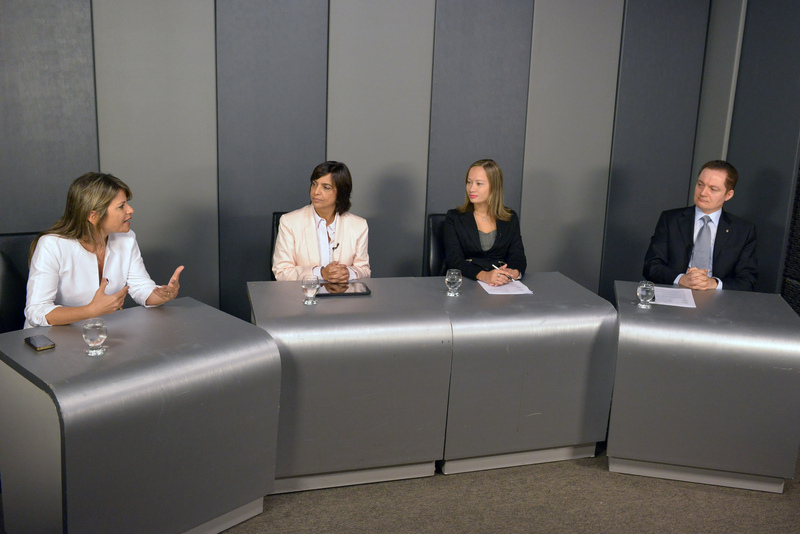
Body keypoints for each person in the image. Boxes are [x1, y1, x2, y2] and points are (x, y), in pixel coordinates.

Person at [25, 172, 184, 328]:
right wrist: (90, 311)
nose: (130, 210)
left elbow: (141, 287)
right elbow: (36, 310)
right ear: (93, 216)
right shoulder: (52, 245)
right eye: (121, 206)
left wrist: (162, 295)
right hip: (50, 338)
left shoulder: (127, 238)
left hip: (99, 333)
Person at [643, 160, 757, 291]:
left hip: (719, 299)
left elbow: (748, 280)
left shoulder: (743, 230)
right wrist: (682, 279)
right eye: (700, 185)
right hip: (675, 293)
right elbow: (651, 266)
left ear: (728, 195)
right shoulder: (671, 220)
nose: (703, 193)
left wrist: (712, 283)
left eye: (713, 189)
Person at [272, 161, 370, 282]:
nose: (316, 192)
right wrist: (321, 273)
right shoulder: (290, 222)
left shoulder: (358, 226)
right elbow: (281, 272)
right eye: (314, 184)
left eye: (326, 187)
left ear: (341, 192)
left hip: (343, 293)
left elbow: (364, 270)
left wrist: (348, 273)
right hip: (303, 292)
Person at [443, 159, 526, 286]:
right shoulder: (454, 217)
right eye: (469, 182)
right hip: (467, 283)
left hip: (501, 285)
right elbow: (454, 260)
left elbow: (518, 256)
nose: (471, 189)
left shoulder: (510, 218)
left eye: (479, 184)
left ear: (494, 187)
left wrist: (513, 273)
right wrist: (484, 276)